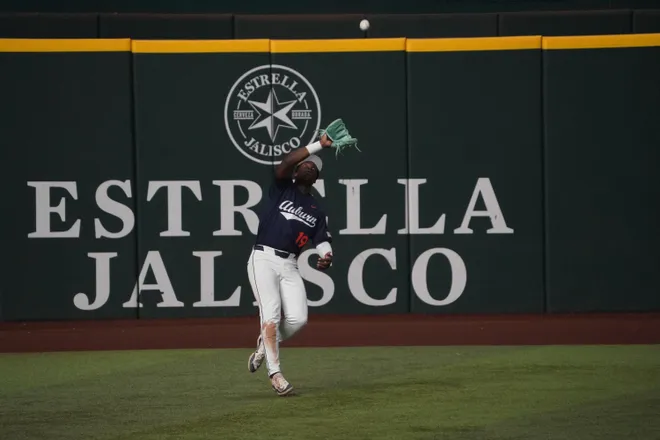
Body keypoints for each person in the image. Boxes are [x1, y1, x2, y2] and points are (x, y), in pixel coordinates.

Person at [246, 133, 335, 397]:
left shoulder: (316, 211)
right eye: (304, 165)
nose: (307, 167)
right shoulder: (282, 187)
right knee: (271, 316)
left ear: (316, 177)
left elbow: (323, 241)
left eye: (312, 167)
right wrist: (319, 145)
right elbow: (286, 162)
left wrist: (327, 256)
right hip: (263, 258)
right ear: (296, 171)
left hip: (290, 265)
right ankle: (275, 374)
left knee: (298, 319)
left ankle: (266, 343)